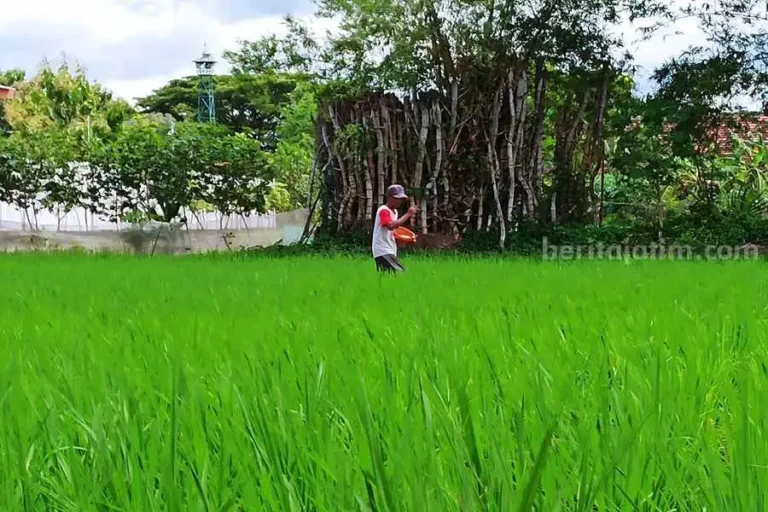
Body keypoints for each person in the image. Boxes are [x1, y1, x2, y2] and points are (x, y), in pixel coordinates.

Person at [372, 184, 418, 272]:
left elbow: (394, 230)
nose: (399, 202)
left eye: (401, 199)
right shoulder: (384, 210)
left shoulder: (395, 212)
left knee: (388, 276)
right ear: (389, 198)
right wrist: (408, 214)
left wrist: (405, 239)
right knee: (399, 272)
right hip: (383, 250)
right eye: (397, 199)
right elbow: (391, 226)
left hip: (390, 249)